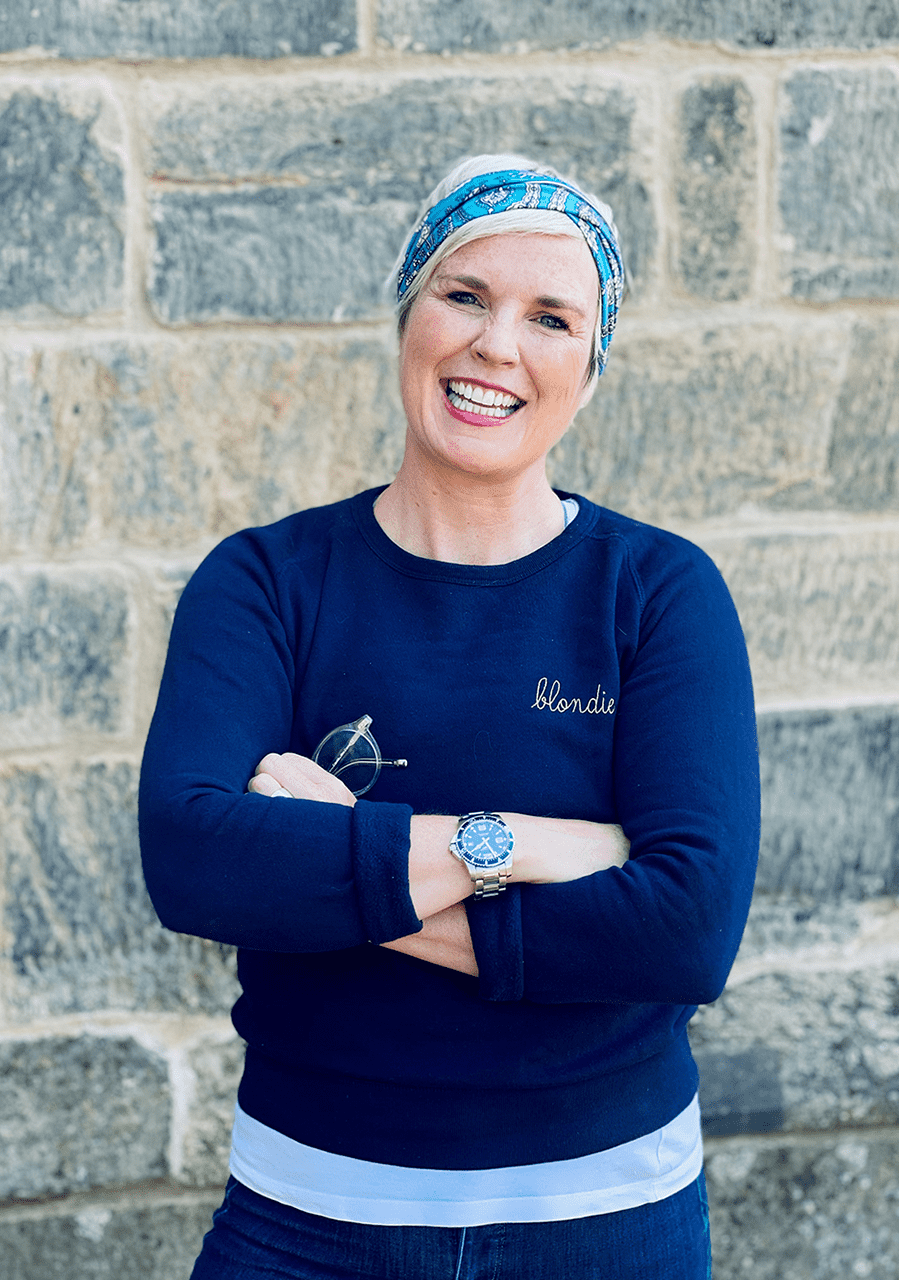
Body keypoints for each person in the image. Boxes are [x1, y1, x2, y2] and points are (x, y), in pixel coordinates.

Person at [139, 154, 760, 1279]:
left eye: (551, 317)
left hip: (608, 1220)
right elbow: (194, 860)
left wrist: (337, 861)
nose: (497, 346)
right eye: (465, 295)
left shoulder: (658, 592)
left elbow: (688, 925)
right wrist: (541, 850)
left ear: (591, 364)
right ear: (408, 312)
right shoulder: (266, 582)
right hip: (304, 1218)